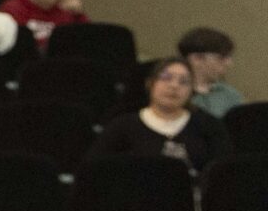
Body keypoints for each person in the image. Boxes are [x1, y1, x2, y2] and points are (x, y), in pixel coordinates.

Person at [93, 56, 227, 171]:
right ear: (150, 83)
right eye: (166, 78)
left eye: (183, 81)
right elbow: (96, 169)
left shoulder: (209, 126)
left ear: (191, 90)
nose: (174, 86)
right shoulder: (122, 126)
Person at [179, 28, 242, 117]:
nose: (229, 63)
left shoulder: (230, 95)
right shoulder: (174, 92)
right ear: (197, 58)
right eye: (221, 57)